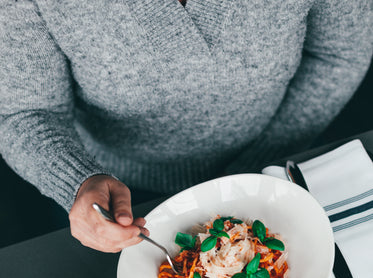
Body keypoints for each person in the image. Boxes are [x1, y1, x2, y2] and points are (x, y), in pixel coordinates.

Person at [0, 0, 372, 253]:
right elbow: (24, 111)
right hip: (116, 199)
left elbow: (341, 53)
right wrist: (76, 181)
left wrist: (260, 163)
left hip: (275, 166)